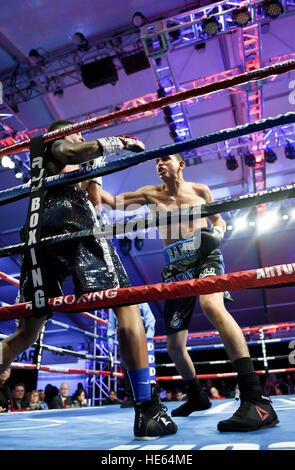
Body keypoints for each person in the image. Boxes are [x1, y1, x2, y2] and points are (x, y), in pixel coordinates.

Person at [0, 120, 176, 440]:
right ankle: (147, 410)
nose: (82, 136)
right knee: (126, 303)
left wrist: (96, 169)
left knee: (26, 331)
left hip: (38, 234)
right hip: (73, 222)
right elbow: (70, 149)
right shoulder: (54, 143)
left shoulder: (69, 163)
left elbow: (96, 198)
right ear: (62, 131)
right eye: (78, 132)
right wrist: (117, 141)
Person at [100, 152, 279, 432]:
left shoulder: (200, 190)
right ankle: (197, 395)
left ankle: (256, 398)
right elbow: (110, 203)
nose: (159, 164)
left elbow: (219, 222)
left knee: (212, 306)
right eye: (156, 162)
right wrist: (93, 170)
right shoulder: (150, 193)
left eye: (165, 159)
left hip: (206, 256)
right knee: (173, 346)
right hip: (175, 267)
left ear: (180, 165)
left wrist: (217, 234)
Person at [107, 302, 156, 408]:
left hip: (139, 330)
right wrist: (110, 337)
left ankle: (147, 398)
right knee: (126, 366)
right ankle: (130, 398)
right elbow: (112, 323)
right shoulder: (113, 301)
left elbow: (150, 318)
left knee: (142, 364)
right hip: (123, 330)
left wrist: (147, 338)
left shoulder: (138, 298)